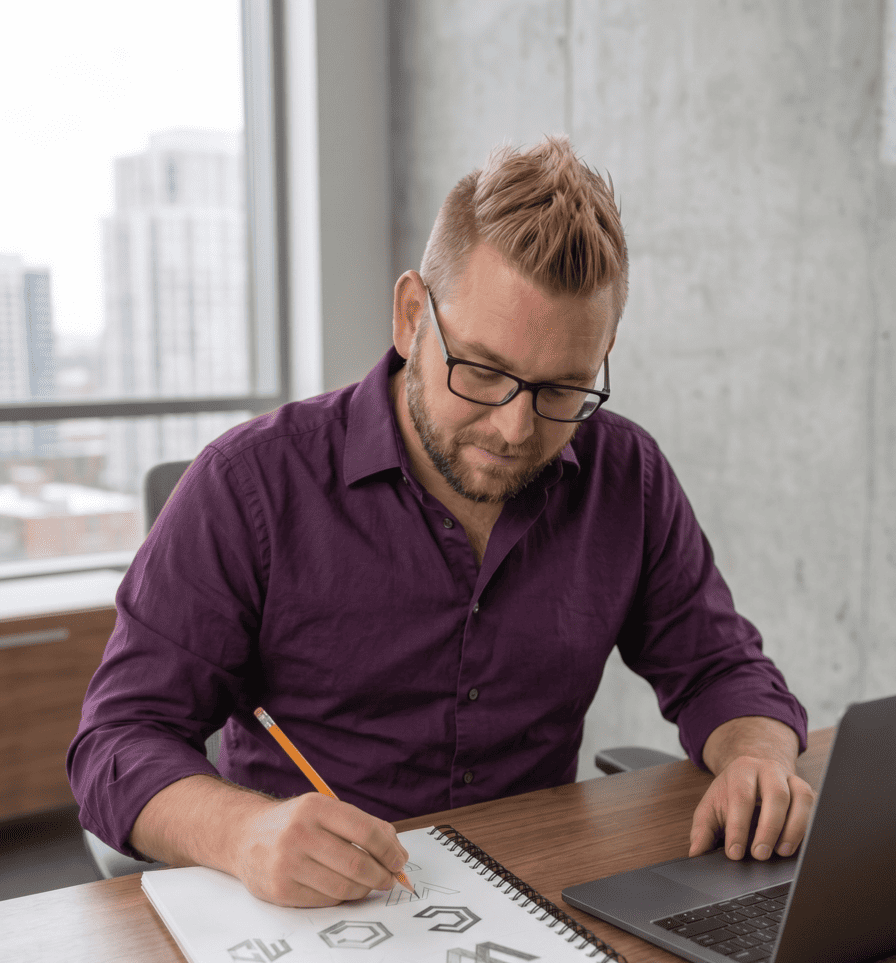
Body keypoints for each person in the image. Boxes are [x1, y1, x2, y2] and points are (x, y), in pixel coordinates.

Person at [68, 135, 814, 908]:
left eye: (563, 388)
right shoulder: (248, 484)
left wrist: (753, 755)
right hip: (317, 919)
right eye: (483, 372)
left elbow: (721, 669)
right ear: (411, 315)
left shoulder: (628, 477)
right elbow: (114, 745)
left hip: (538, 903)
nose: (516, 429)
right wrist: (245, 833)